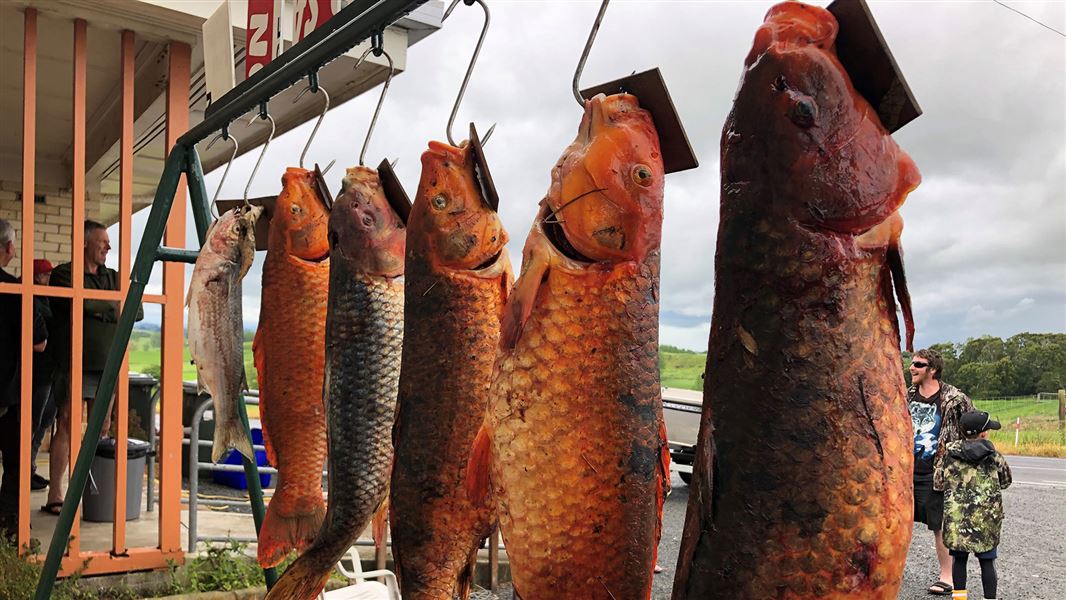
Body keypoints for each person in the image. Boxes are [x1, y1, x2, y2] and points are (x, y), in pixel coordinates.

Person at [42, 220, 142, 515]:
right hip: (74, 363)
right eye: (103, 242)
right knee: (68, 423)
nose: (109, 247)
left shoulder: (113, 276)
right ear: (85, 243)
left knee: (101, 428)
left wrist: (98, 307)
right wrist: (112, 308)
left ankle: (87, 493)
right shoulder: (64, 274)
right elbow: (78, 305)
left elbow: (136, 310)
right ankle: (55, 494)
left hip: (107, 366)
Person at [908, 348, 976, 596]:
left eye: (918, 364)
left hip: (936, 472)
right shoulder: (905, 396)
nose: (911, 367)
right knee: (897, 522)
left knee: (940, 526)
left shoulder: (954, 398)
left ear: (932, 370)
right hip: (904, 470)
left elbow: (976, 429)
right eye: (912, 363)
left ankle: (946, 577)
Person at [0, 219, 49, 538]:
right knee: (16, 464)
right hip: (7, 394)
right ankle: (9, 525)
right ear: (8, 248)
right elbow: (40, 343)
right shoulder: (17, 291)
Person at [937, 410, 1012, 600]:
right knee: (987, 563)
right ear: (984, 433)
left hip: (957, 519)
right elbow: (1006, 481)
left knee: (959, 560)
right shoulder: (994, 457)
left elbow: (938, 482)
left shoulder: (949, 454)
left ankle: (960, 597)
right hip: (987, 520)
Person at [29, 259, 55, 491]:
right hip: (37, 372)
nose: (49, 278)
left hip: (50, 371)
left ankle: (30, 468)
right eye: (46, 275)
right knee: (33, 422)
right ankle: (24, 470)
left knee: (44, 422)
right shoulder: (33, 299)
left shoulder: (47, 298)